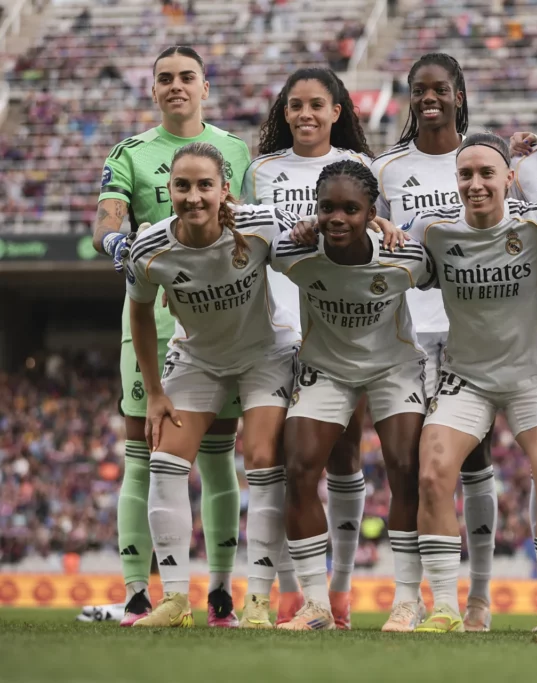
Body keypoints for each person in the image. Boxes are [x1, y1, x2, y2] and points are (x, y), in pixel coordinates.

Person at [92, 46, 251, 627]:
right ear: (152, 89)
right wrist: (114, 243)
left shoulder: (236, 151)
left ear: (205, 86)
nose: (176, 85)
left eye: (187, 76)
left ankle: (221, 593)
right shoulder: (129, 152)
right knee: (144, 459)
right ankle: (139, 593)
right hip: (153, 329)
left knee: (217, 463)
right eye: (165, 78)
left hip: (220, 328)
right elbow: (107, 215)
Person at [392, 133, 537, 635]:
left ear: (508, 179)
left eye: (486, 174)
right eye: (466, 175)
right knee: (432, 476)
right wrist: (382, 228)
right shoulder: (433, 231)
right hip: (466, 378)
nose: (476, 184)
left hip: (530, 377)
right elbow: (392, 258)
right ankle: (447, 608)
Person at [124, 142, 300, 627]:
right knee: (164, 460)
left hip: (266, 354)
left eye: (205, 185)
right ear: (170, 190)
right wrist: (155, 391)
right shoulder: (150, 247)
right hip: (198, 358)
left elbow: (312, 254)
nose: (194, 196)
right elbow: (139, 313)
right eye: (183, 186)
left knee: (263, 459)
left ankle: (260, 601)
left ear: (225, 190)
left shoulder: (259, 225)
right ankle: (175, 601)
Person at [269, 160, 435, 631]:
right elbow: (248, 227)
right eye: (327, 208)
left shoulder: (406, 256)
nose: (337, 218)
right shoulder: (294, 251)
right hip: (326, 368)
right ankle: (317, 607)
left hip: (394, 368)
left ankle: (407, 602)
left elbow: (452, 282)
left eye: (351, 209)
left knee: (405, 469)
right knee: (298, 469)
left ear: (371, 213)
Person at [370, 53, 499, 631]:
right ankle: (413, 596)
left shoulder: (483, 158)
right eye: (419, 90)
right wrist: (378, 226)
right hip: (412, 333)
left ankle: (479, 598)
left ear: (458, 94)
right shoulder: (388, 167)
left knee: (476, 464)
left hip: (479, 328)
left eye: (440, 89)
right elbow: (359, 227)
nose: (429, 99)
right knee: (415, 466)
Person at [242, 66, 374, 628]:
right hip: (275, 331)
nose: (305, 115)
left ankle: (339, 593)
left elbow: (376, 240)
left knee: (342, 458)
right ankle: (288, 593)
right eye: (295, 105)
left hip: (340, 332)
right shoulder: (262, 170)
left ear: (337, 110)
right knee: (279, 464)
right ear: (283, 111)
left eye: (317, 104)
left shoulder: (363, 168)